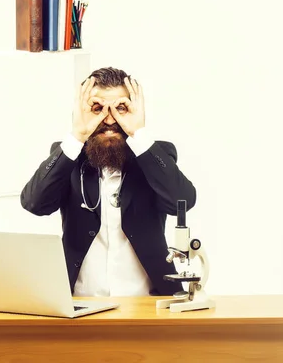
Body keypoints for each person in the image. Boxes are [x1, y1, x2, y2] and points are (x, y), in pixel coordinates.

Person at [20, 67, 196, 297]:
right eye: (98, 109)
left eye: (121, 108)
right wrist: (77, 136)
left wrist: (139, 134)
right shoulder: (69, 155)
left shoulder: (156, 154)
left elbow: (181, 201)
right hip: (80, 304)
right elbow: (35, 203)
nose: (110, 119)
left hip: (148, 305)